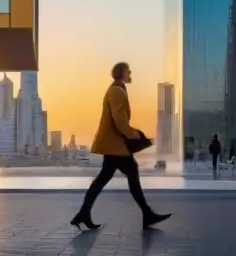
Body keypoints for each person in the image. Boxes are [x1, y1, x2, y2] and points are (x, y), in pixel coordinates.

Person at [71, 62, 172, 231]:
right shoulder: (116, 91)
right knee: (131, 172)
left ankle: (83, 214)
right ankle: (147, 215)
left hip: (114, 144)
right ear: (121, 73)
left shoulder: (116, 89)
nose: (130, 72)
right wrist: (136, 136)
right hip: (115, 144)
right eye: (128, 70)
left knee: (103, 179)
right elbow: (120, 120)